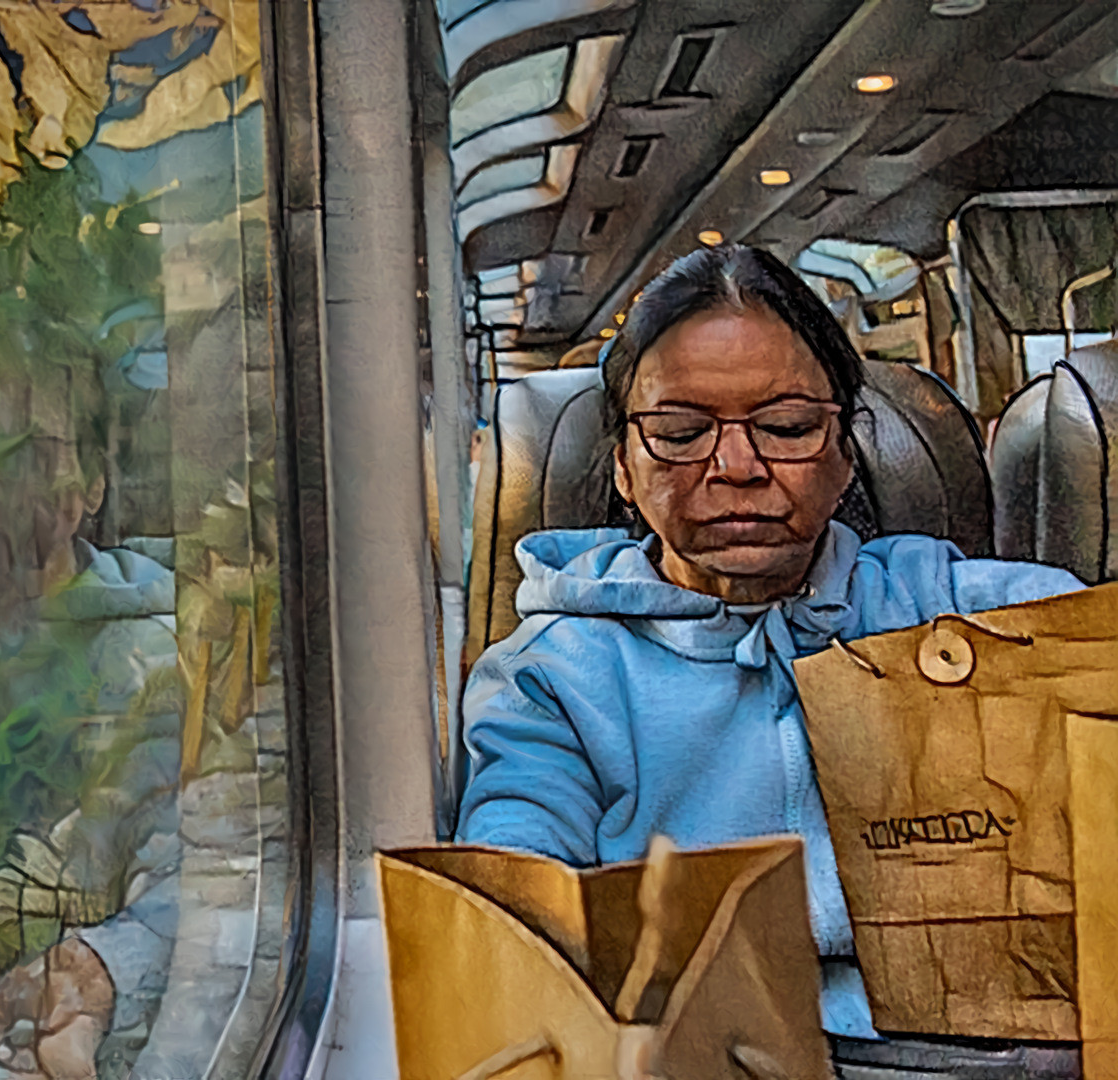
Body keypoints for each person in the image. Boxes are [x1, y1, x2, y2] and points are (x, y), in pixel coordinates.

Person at [455, 243, 1085, 1039]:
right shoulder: (552, 678)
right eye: (681, 434)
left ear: (845, 455)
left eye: (786, 427)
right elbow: (516, 873)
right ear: (622, 466)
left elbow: (1088, 644)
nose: (738, 466)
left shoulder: (948, 607)